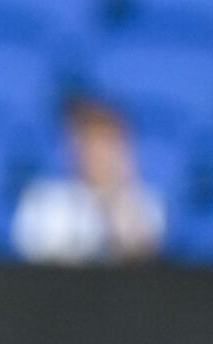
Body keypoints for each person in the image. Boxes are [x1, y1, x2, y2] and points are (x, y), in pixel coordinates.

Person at [12, 96, 166, 266]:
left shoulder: (146, 203)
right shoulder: (42, 199)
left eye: (107, 143)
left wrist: (117, 199)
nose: (98, 155)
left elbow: (144, 261)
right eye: (89, 143)